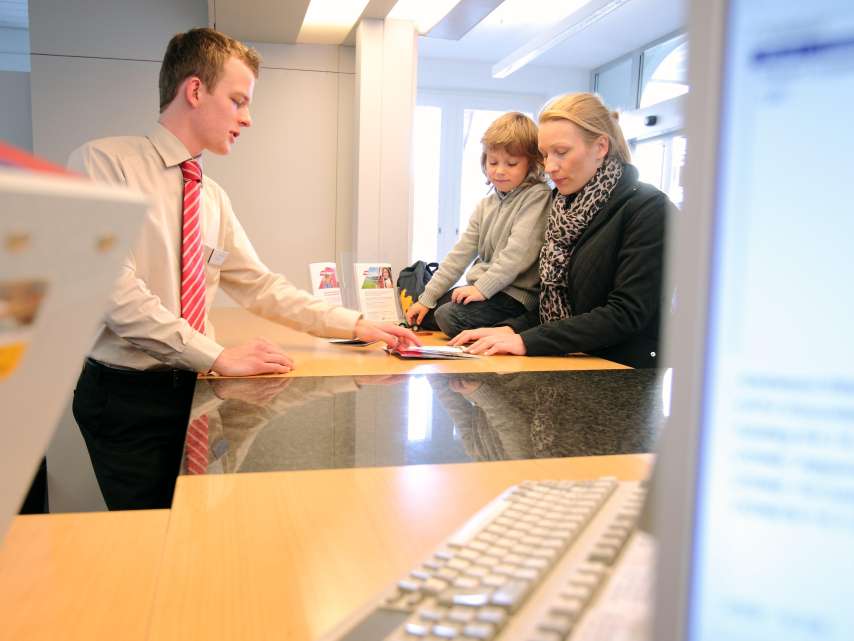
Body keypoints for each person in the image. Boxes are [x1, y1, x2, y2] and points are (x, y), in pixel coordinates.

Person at [68, 28, 418, 510]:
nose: (247, 118)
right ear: (195, 90)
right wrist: (216, 355)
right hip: (130, 399)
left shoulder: (212, 198)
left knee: (205, 519)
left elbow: (261, 286)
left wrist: (357, 325)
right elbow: (115, 293)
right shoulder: (104, 163)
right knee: (152, 534)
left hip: (198, 388)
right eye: (238, 101)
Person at [449, 93, 670, 368]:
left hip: (623, 371)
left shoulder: (649, 208)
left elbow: (625, 314)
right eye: (544, 155)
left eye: (561, 152)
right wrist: (511, 329)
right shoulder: (561, 206)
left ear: (600, 147)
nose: (550, 167)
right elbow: (560, 307)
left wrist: (526, 340)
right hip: (572, 359)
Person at [405, 112, 551, 337]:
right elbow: (459, 255)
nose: (499, 170)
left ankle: (511, 328)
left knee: (447, 316)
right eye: (493, 162)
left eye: (511, 163)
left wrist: (482, 289)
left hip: (514, 297)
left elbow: (516, 256)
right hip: (486, 290)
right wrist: (427, 298)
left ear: (531, 164)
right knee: (429, 311)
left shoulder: (537, 196)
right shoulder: (486, 204)